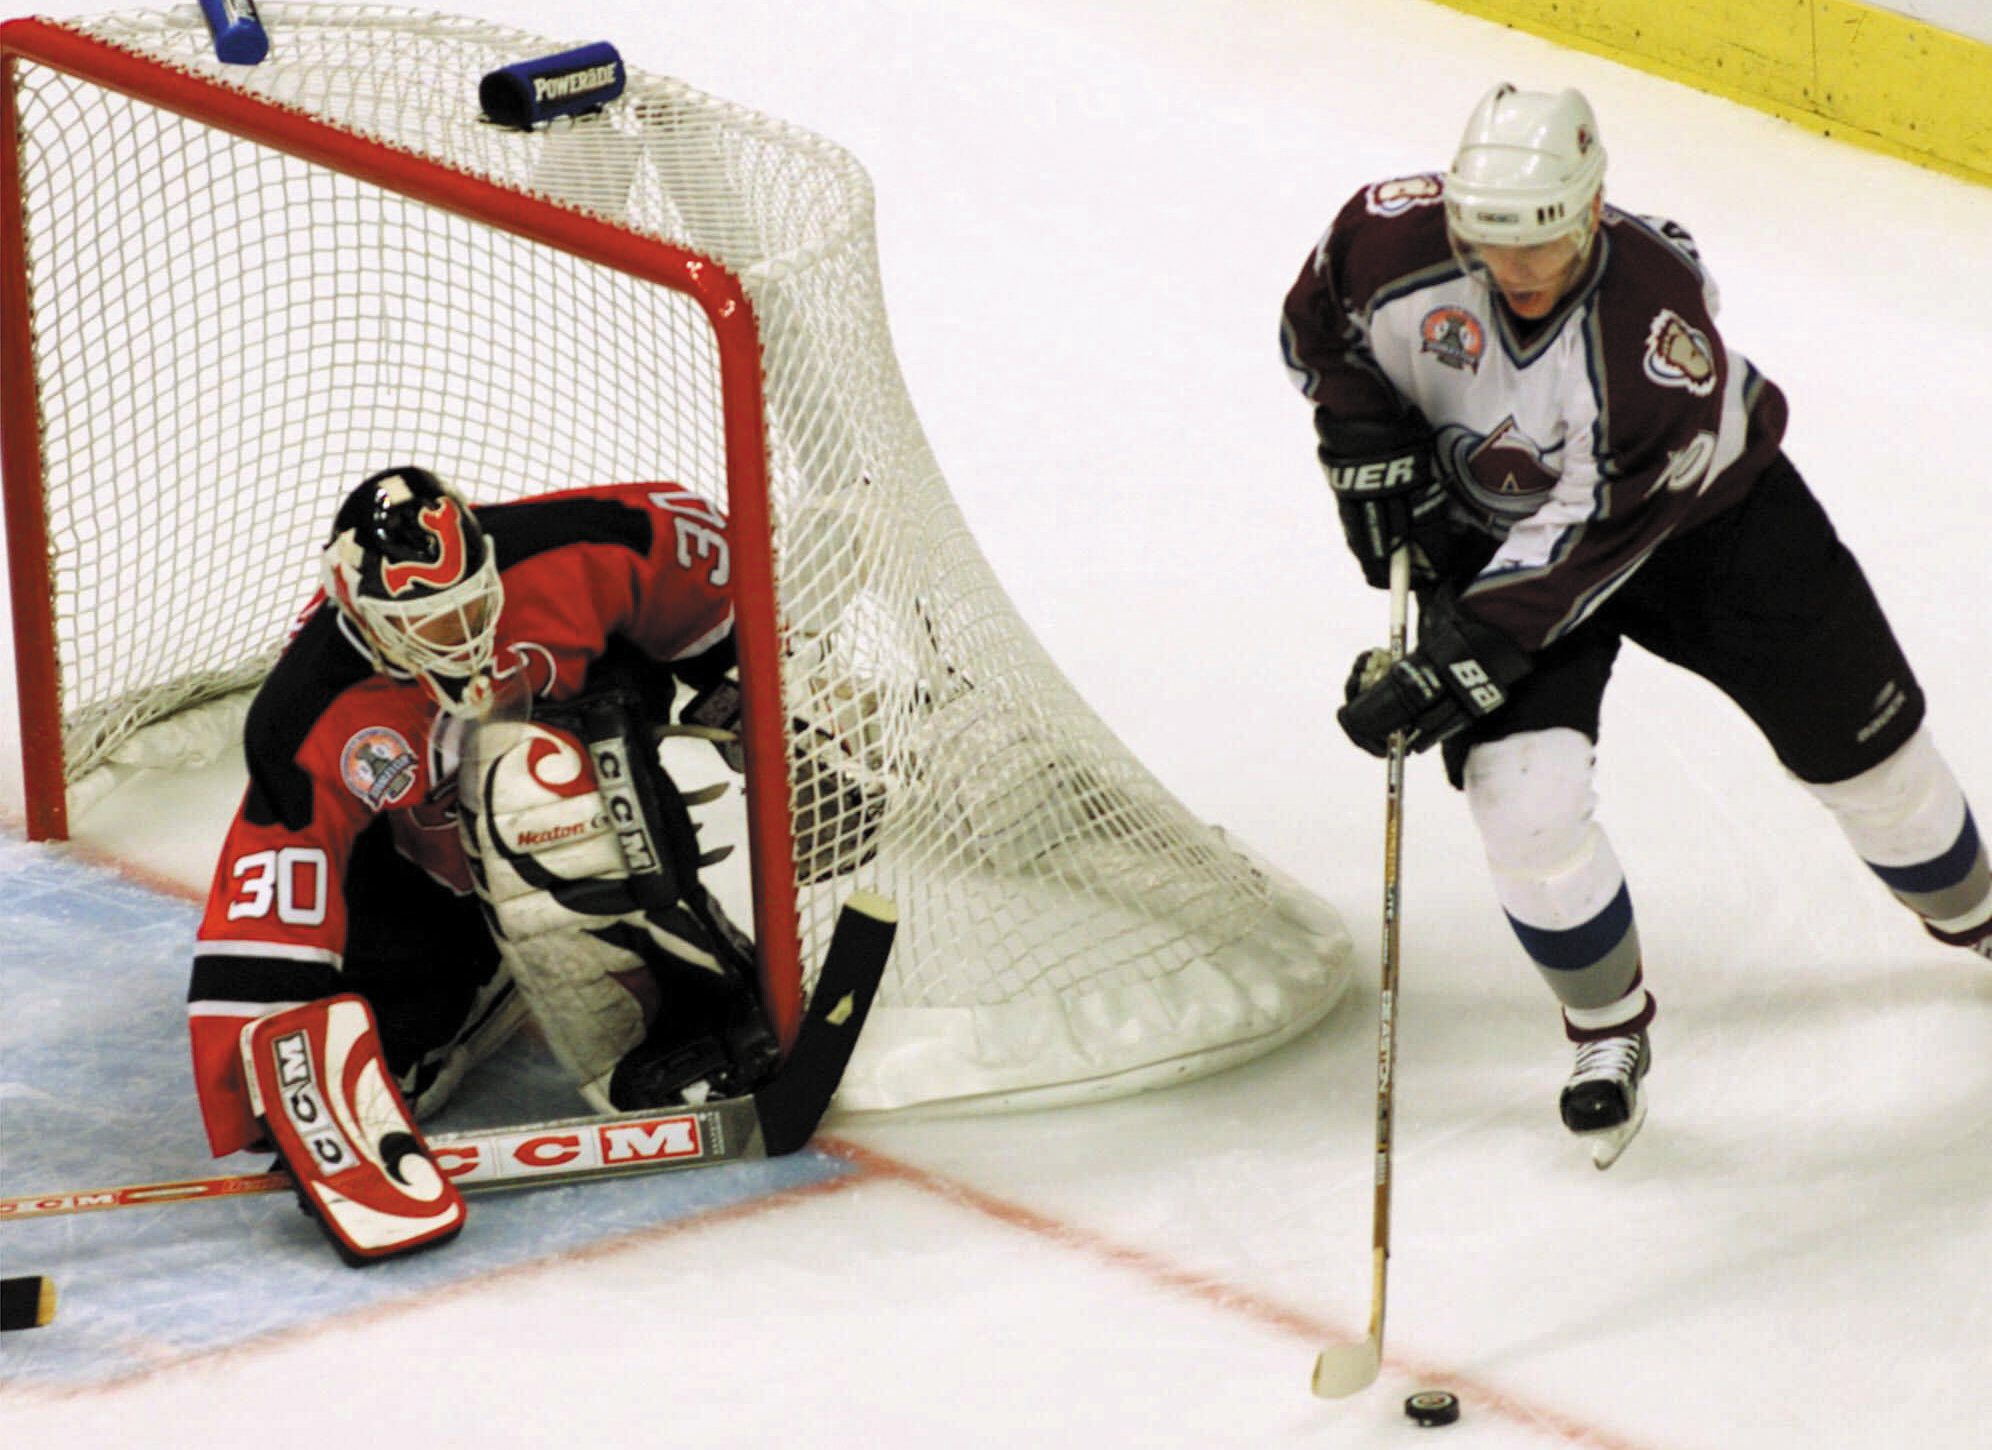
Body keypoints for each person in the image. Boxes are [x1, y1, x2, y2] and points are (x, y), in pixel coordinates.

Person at [1280, 83, 1990, 1168]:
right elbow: (1321, 327)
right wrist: (1363, 437)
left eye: (1546, 245)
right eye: (1491, 243)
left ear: (1594, 206)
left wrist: (1452, 666)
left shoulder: (1650, 335)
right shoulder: (1384, 240)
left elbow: (1590, 542)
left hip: (1712, 528)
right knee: (1524, 809)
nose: (1515, 274)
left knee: (1877, 766)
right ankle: (1607, 1031)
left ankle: (1975, 914)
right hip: (1501, 538)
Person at [187, 466, 777, 1260]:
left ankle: (677, 1012)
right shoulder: (307, 712)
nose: (464, 635)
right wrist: (276, 1103)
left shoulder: (580, 545)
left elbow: (695, 563)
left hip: (591, 765)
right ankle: (486, 970)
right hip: (424, 874)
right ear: (360, 611)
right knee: (397, 1070)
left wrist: (749, 692)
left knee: (529, 778)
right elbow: (271, 899)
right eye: (432, 623)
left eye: (474, 605)